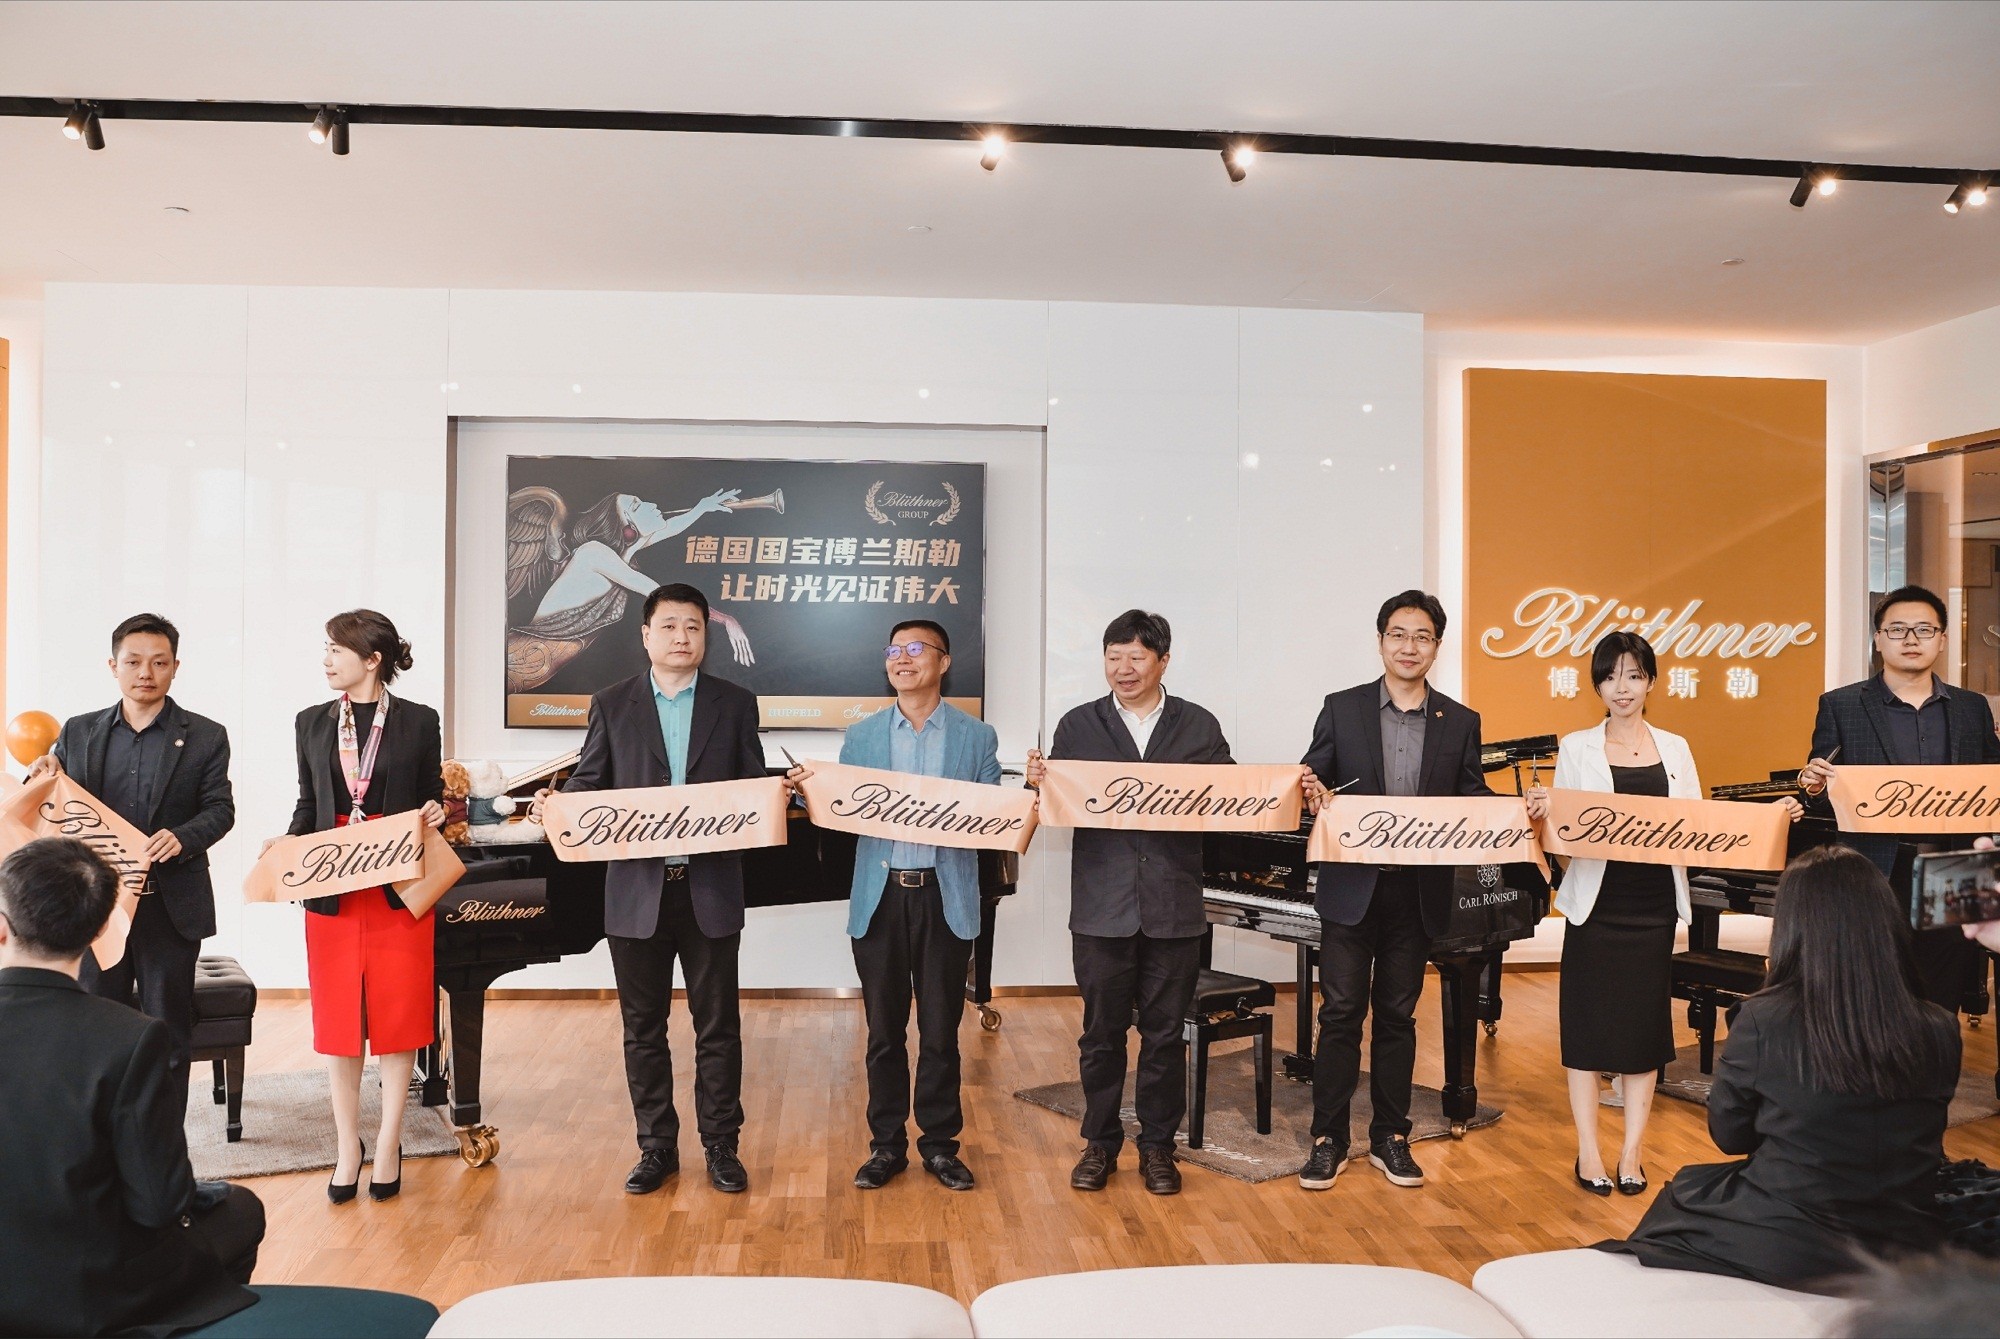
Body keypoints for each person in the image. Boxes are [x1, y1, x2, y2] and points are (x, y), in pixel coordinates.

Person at [1605, 845, 1960, 1293]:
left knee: (1678, 1199)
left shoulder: (1764, 1018)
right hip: (1905, 1237)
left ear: (1793, 927)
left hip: (1795, 1238)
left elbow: (1730, 1136)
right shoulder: (1940, 1025)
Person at [1525, 632, 1802, 1197]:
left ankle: (1632, 1152)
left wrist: (1769, 818)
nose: (1621, 688)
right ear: (1597, 687)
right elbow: (1563, 838)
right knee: (1586, 1031)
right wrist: (1542, 815)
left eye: (1633, 675)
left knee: (1643, 1032)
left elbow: (1699, 826)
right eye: (1609, 677)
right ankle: (1588, 1150)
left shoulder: (1675, 748)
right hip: (1595, 906)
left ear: (1650, 680)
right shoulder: (1577, 747)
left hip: (1652, 905)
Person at [530, 582, 769, 1196]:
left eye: (693, 626)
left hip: (710, 887)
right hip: (637, 891)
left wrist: (780, 793)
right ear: (645, 635)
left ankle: (721, 1145)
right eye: (668, 626)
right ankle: (656, 1147)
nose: (681, 637)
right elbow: (591, 780)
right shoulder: (612, 703)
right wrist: (558, 805)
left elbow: (751, 786)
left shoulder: (735, 704)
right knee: (643, 1029)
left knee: (719, 1027)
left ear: (705, 635)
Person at [1025, 609, 1265, 1196]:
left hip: (1173, 907)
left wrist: (1286, 790)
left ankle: (1158, 1148)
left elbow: (1232, 799)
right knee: (1100, 1036)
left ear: (1163, 661)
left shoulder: (1198, 725)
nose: (1123, 668)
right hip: (1101, 908)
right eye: (1113, 657)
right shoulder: (1078, 725)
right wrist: (1038, 783)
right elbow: (1057, 804)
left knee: (1163, 1037)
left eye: (1136, 657)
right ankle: (1099, 1144)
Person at [0, 837, 262, 1336]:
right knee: (242, 1210)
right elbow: (159, 1204)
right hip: (83, 1295)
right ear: (102, 928)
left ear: (0, 928)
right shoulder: (131, 1037)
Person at [788, 618, 1000, 1192]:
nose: (901, 659)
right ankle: (885, 1146)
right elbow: (839, 814)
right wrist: (809, 793)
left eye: (915, 649)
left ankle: (940, 1146)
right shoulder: (861, 737)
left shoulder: (977, 737)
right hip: (879, 899)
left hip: (946, 897)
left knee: (940, 1033)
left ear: (944, 661)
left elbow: (990, 819)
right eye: (892, 650)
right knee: (883, 1034)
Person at [1293, 590, 1490, 1193]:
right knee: (1342, 1013)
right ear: (1380, 641)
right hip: (1352, 888)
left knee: (1399, 1016)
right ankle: (1329, 1138)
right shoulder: (1342, 708)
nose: (1409, 646)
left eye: (1422, 636)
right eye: (1398, 634)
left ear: (1436, 646)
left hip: (1419, 892)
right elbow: (1313, 776)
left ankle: (1390, 1137)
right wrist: (1310, 789)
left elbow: (1473, 798)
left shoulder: (1460, 721)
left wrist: (1522, 812)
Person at [27, 613, 236, 1108]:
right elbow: (56, 801)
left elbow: (220, 810)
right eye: (134, 661)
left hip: (168, 905)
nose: (146, 672)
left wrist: (182, 837)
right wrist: (43, 768)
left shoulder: (206, 735)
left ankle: (163, 1140)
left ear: (176, 667)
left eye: (159, 663)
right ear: (113, 665)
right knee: (96, 1027)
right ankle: (103, 1136)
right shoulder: (78, 731)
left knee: (168, 1032)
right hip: (96, 906)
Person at [278, 610, 445, 1204]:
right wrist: (288, 845)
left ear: (372, 660)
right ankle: (347, 1146)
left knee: (399, 1017)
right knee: (340, 1022)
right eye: (326, 648)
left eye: (336, 649)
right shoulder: (310, 721)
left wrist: (436, 809)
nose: (326, 659)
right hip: (334, 887)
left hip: (399, 888)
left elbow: (431, 794)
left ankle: (391, 1141)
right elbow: (308, 804)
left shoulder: (420, 720)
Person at [1799, 584, 2000, 1015]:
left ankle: (1934, 1060)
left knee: (1942, 999)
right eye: (1897, 629)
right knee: (1872, 995)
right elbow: (1823, 795)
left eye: (1924, 629)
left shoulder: (1972, 707)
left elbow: (1991, 784)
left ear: (1942, 639)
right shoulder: (1841, 705)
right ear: (1878, 639)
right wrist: (1813, 786)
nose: (1911, 639)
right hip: (1875, 868)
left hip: (1956, 869)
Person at [504, 486, 756, 690]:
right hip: (524, 656)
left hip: (544, 663)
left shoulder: (624, 554)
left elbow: (671, 527)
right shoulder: (595, 553)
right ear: (627, 529)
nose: (651, 505)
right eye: (636, 506)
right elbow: (664, 597)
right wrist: (726, 620)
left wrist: (702, 507)